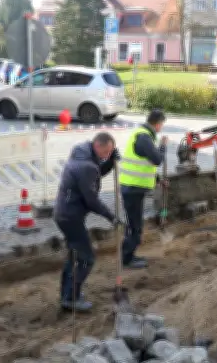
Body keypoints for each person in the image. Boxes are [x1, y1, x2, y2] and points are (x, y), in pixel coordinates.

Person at [54, 132, 123, 312]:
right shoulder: (86, 165)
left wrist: (108, 162)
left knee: (74, 256)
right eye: (106, 152)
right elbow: (91, 200)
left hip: (65, 213)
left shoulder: (83, 154)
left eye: (110, 153)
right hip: (71, 216)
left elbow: (96, 174)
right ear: (97, 146)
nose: (107, 155)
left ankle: (67, 295)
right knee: (87, 258)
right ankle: (71, 298)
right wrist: (112, 217)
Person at [119, 109, 168, 269]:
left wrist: (157, 179)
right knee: (135, 226)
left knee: (134, 224)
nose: (161, 128)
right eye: (161, 125)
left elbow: (143, 163)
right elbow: (157, 160)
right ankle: (127, 259)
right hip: (133, 188)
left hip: (133, 188)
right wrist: (163, 147)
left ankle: (128, 255)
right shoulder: (144, 137)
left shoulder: (141, 135)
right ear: (158, 123)